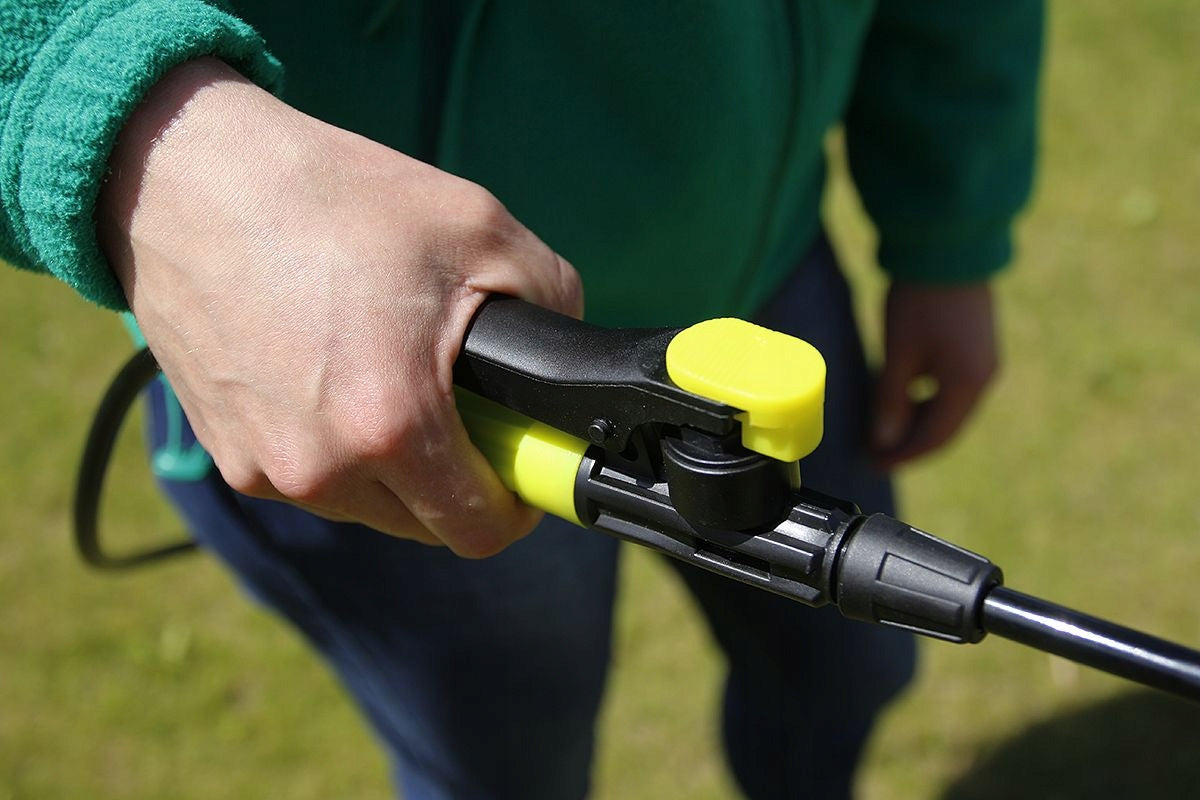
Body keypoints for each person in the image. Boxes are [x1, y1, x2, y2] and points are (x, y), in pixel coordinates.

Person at [1, 3, 1043, 798]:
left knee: (845, 668)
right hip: (388, 370)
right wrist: (132, 132)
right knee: (510, 762)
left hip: (758, 277)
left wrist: (950, 232)